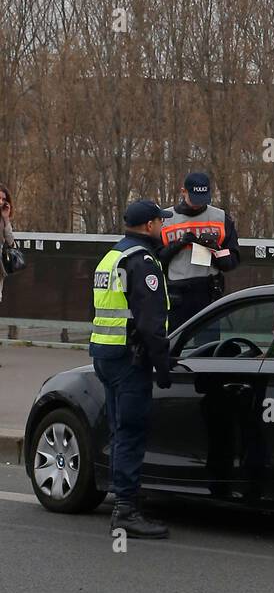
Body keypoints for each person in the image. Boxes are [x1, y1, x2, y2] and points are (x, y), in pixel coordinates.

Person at [90, 200, 175, 539]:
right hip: (130, 359)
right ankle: (126, 509)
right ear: (149, 225)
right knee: (130, 432)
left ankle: (121, 501)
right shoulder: (143, 262)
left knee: (117, 429)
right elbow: (151, 323)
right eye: (160, 221)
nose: (162, 227)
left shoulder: (111, 257)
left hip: (105, 356)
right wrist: (163, 365)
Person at [158, 171, 241, 330]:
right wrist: (179, 244)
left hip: (208, 292)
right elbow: (157, 259)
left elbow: (233, 258)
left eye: (203, 200)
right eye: (194, 199)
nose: (198, 204)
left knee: (207, 346)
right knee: (176, 344)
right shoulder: (166, 219)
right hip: (177, 293)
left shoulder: (220, 218)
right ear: (184, 192)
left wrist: (215, 251)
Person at [0, 184, 17, 304]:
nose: (1, 202)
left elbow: (11, 242)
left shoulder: (3, 218)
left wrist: (6, 219)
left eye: (3, 199)